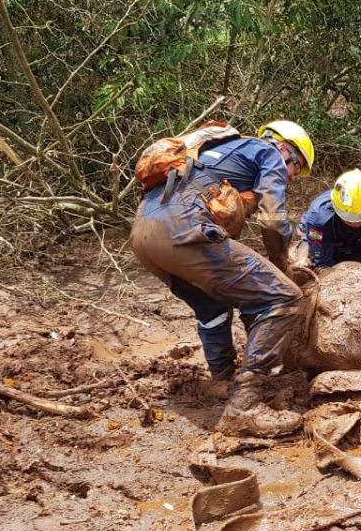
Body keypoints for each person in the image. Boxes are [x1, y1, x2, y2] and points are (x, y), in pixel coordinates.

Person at [130, 119, 314, 435]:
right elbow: (272, 220)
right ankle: (244, 406)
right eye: (296, 166)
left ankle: (223, 380)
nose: (294, 175)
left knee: (212, 308)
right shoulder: (266, 152)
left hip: (144, 236)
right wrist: (280, 263)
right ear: (285, 148)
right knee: (284, 298)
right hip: (183, 230)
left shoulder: (215, 149)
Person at [294, 168, 361, 270]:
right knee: (306, 262)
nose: (355, 222)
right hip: (324, 238)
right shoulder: (317, 219)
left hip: (360, 243)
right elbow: (323, 263)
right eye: (349, 216)